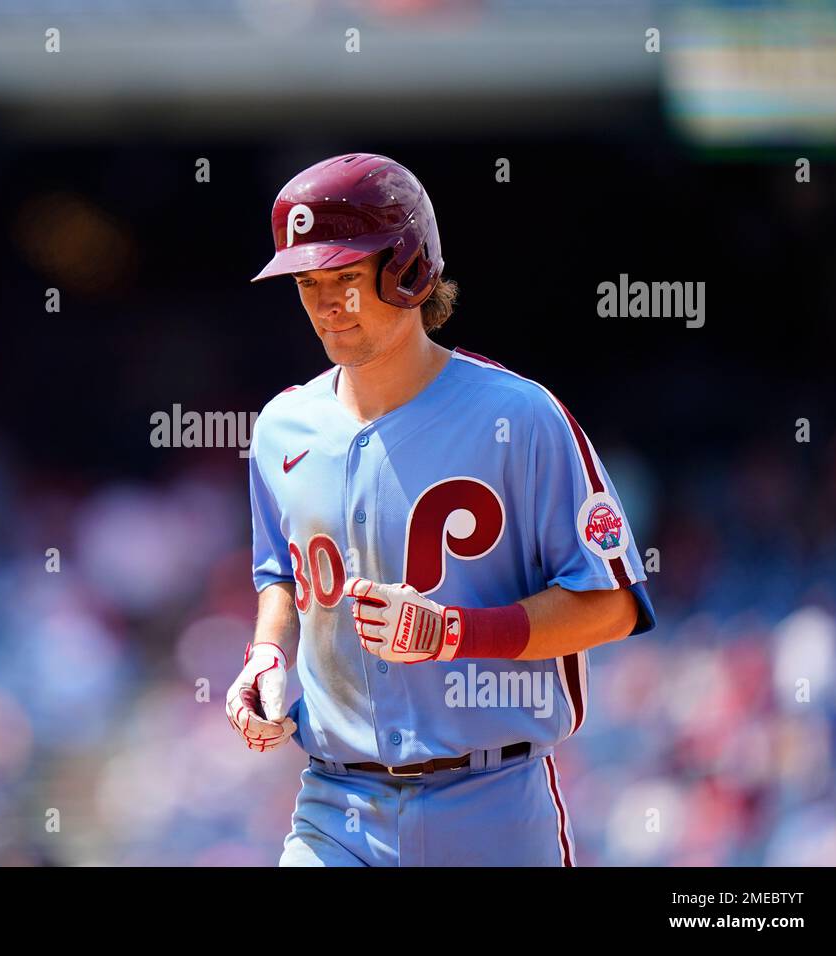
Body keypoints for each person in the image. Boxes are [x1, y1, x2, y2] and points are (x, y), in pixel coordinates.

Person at [225, 153, 655, 866]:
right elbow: (281, 578)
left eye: (344, 278)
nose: (325, 304)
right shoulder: (280, 427)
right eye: (307, 283)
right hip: (336, 807)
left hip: (493, 803)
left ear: (409, 269)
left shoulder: (520, 416)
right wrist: (267, 656)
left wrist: (452, 631)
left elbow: (611, 604)